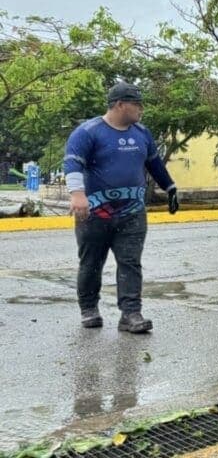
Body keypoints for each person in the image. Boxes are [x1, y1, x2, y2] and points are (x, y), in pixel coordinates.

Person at [64, 82, 179, 333]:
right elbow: (72, 164)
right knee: (91, 262)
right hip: (94, 213)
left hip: (132, 213)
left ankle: (131, 314)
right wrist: (77, 194)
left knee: (130, 262)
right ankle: (89, 309)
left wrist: (169, 186)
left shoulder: (142, 133)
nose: (141, 109)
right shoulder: (88, 132)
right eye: (136, 104)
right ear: (119, 104)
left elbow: (154, 163)